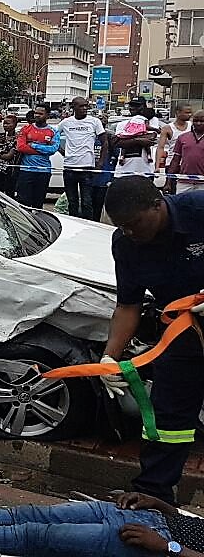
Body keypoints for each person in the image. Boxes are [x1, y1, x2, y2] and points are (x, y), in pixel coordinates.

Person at [102, 176, 204, 505]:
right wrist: (110, 357)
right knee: (168, 417)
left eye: (133, 223)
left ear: (157, 204)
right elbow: (128, 304)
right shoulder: (125, 243)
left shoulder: (198, 210)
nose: (129, 232)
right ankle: (152, 494)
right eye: (122, 226)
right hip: (181, 334)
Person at [0, 469, 204, 557]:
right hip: (150, 520)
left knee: (34, 536)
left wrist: (167, 547)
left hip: (151, 546)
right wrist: (155, 503)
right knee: (26, 514)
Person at [57, 97, 108, 220]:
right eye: (81, 106)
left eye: (86, 106)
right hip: (69, 168)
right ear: (74, 107)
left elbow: (104, 142)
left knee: (87, 202)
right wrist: (62, 151)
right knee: (72, 202)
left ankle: (88, 225)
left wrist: (100, 162)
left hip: (87, 168)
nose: (85, 108)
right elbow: (53, 136)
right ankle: (74, 224)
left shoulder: (94, 122)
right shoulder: (66, 122)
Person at [15, 106, 61, 209]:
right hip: (26, 170)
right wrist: (43, 149)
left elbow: (53, 149)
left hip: (43, 171)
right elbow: (21, 147)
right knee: (23, 202)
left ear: (47, 115)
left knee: (38, 203)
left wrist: (33, 145)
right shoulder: (26, 129)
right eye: (36, 113)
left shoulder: (53, 131)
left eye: (40, 113)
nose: (37, 115)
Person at [113, 98, 163, 179]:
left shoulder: (151, 120)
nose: (132, 108)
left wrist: (129, 138)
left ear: (144, 107)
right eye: (131, 105)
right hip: (123, 172)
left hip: (145, 171)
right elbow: (117, 142)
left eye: (137, 105)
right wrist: (138, 140)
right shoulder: (122, 123)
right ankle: (122, 157)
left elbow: (150, 138)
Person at [92, 113, 119, 221]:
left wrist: (112, 177)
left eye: (103, 122)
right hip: (89, 178)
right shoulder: (90, 137)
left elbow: (117, 158)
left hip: (104, 179)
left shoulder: (110, 137)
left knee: (101, 207)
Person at [170, 110, 204, 193]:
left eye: (202, 121)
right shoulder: (182, 137)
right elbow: (175, 160)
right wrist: (168, 182)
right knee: (181, 205)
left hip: (202, 183)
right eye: (196, 121)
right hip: (184, 182)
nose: (198, 123)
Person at [0, 113, 21, 199]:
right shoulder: (1, 138)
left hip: (10, 171)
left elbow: (9, 156)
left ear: (15, 125)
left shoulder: (17, 139)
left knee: (9, 194)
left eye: (8, 123)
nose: (5, 125)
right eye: (4, 123)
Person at [157, 104, 193, 179]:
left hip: (188, 164)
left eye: (190, 113)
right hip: (172, 164)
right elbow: (160, 147)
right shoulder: (167, 128)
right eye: (187, 113)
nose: (189, 115)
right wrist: (157, 167)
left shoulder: (192, 126)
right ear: (178, 113)